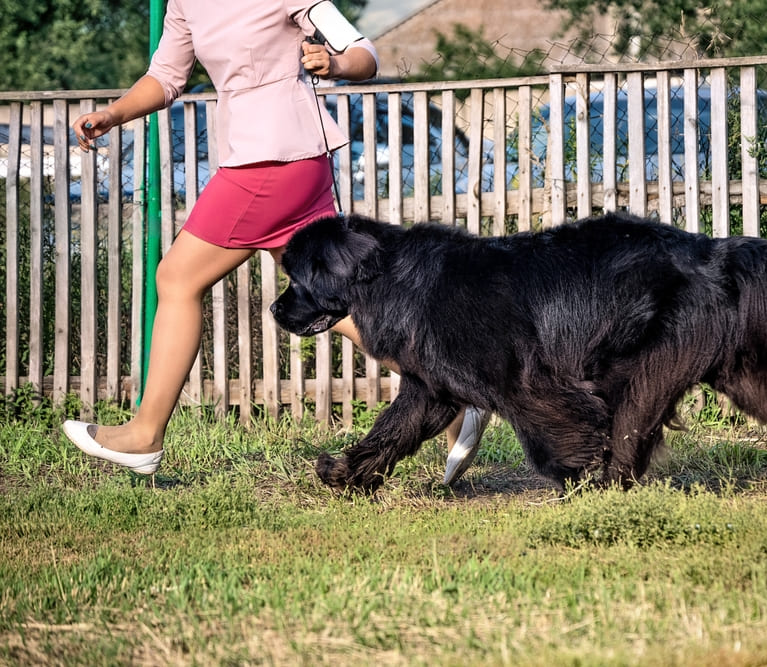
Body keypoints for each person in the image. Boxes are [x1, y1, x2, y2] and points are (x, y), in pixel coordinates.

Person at [62, 0, 488, 484]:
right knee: (330, 303)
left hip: (274, 161)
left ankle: (144, 434)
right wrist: (114, 114)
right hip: (268, 157)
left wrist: (336, 63)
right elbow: (165, 75)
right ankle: (457, 384)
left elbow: (364, 53)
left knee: (177, 277)